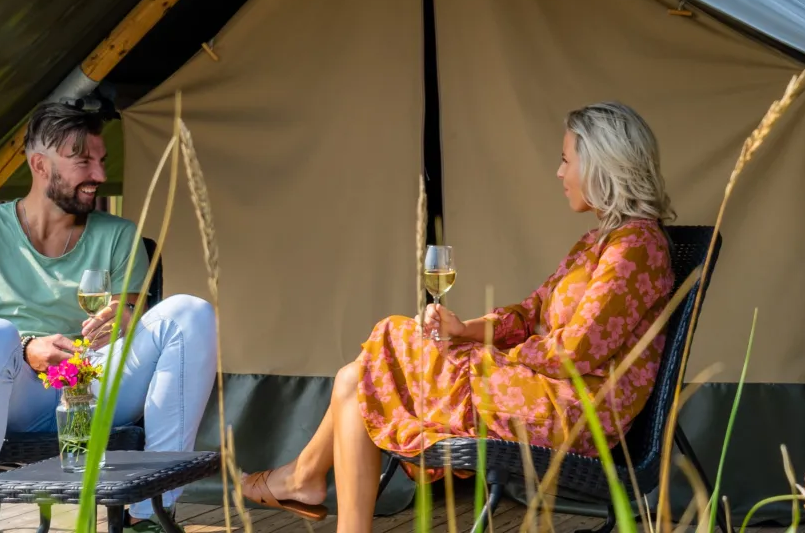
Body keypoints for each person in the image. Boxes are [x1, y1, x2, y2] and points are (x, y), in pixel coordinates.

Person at [240, 102, 677, 531]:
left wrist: (493, 357)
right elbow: (528, 314)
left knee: (389, 337)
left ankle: (303, 478)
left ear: (602, 165)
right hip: (536, 389)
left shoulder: (635, 248)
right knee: (357, 378)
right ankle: (310, 485)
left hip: (568, 413)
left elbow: (572, 355)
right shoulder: (597, 242)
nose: (559, 173)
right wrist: (465, 331)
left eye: (566, 160)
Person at [0, 102, 218, 533]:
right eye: (83, 161)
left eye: (101, 161)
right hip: (16, 393)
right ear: (40, 165)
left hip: (93, 385)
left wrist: (122, 321)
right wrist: (27, 349)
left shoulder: (119, 235)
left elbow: (132, 315)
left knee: (190, 314)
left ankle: (148, 517)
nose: (100, 176)